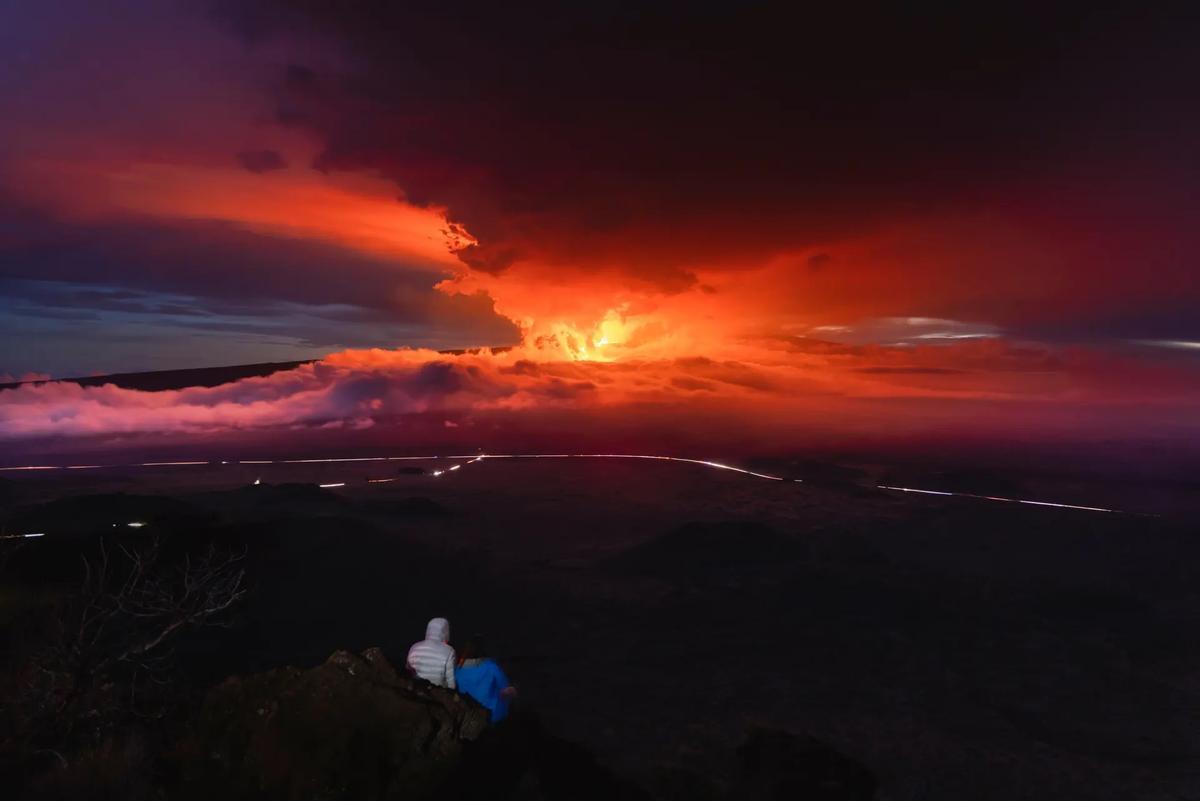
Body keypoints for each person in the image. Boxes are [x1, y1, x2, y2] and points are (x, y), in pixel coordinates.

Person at [454, 635, 516, 723]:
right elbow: (506, 689)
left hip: (466, 718)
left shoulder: (457, 670)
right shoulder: (491, 666)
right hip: (490, 718)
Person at [406, 617, 456, 688]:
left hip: (414, 693)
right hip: (436, 695)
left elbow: (408, 673)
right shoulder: (449, 651)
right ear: (445, 631)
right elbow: (451, 683)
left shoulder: (414, 647)